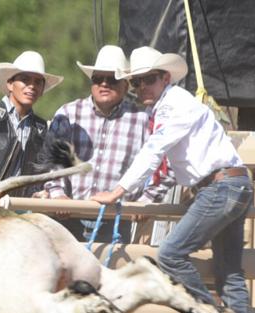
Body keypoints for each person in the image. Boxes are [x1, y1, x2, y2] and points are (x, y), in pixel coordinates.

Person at [90, 47, 253, 313]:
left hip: (219, 187)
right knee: (231, 276)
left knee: (171, 253)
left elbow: (155, 150)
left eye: (148, 80)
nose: (141, 87)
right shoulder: (176, 104)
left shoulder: (175, 106)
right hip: (234, 184)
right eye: (136, 82)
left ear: (165, 78)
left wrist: (119, 191)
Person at [38, 45, 171, 242]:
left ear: (126, 85)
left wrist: (147, 200)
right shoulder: (68, 113)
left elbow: (161, 165)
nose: (104, 84)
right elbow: (51, 160)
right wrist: (57, 195)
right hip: (68, 214)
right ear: (91, 83)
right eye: (98, 79)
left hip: (115, 218)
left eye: (112, 79)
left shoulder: (143, 119)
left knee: (110, 271)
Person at [0, 51, 61, 195]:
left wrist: (38, 194)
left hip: (17, 209)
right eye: (25, 79)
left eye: (38, 82)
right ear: (10, 84)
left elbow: (38, 177)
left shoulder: (41, 129)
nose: (32, 86)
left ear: (42, 89)